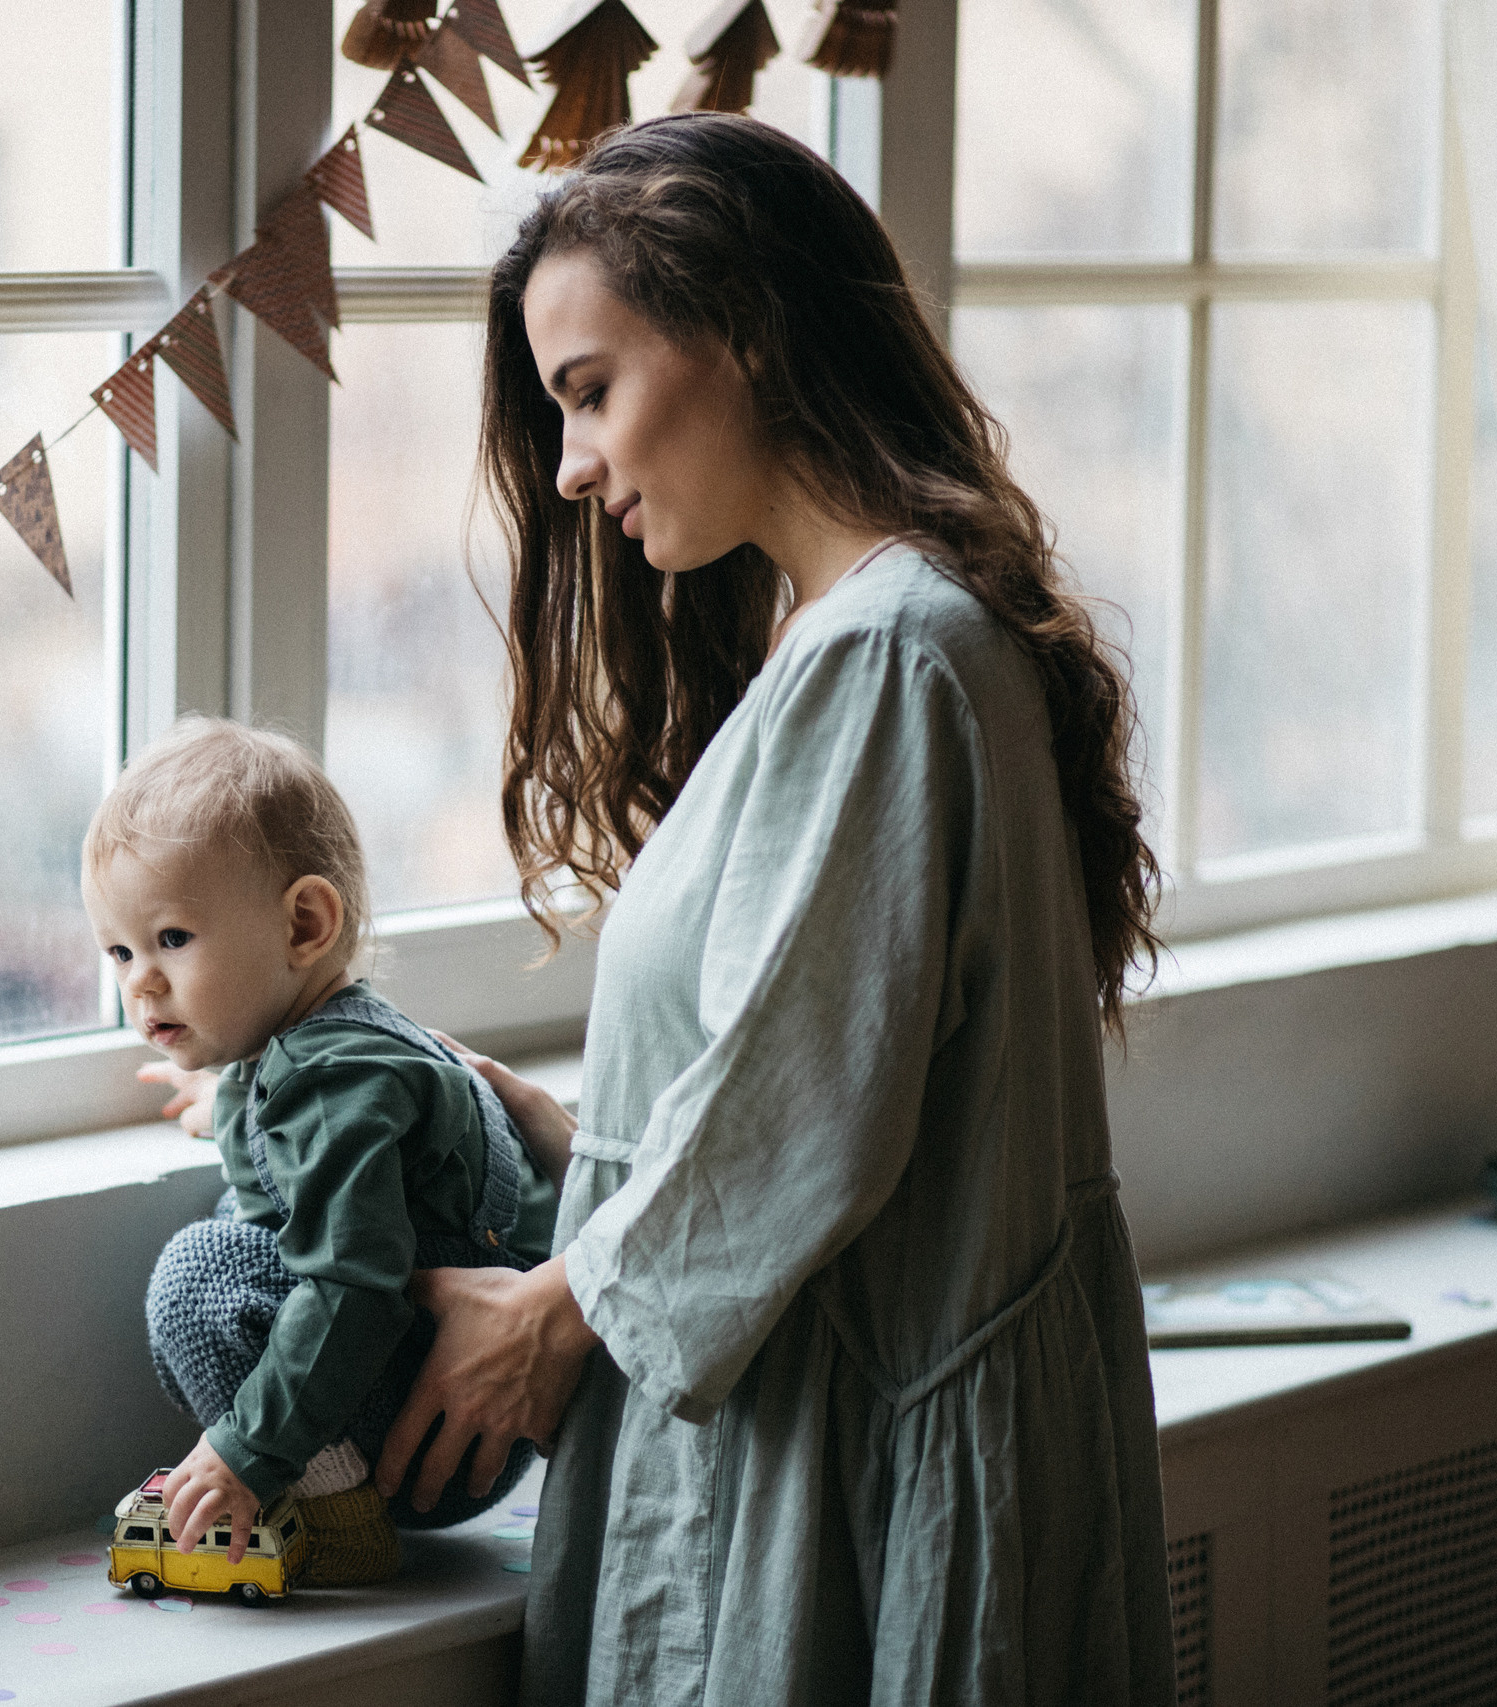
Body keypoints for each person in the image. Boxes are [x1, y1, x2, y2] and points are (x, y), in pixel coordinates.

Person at [367, 114, 1179, 1703]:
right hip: (843, 1437)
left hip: (856, 1483)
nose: (572, 461)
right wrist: (550, 1126)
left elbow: (806, 1112)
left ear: (744, 325)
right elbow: (798, 1052)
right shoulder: (862, 640)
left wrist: (551, 1310)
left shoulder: (886, 654)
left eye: (592, 391)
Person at [87, 717, 558, 1589]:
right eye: (120, 951)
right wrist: (223, 1093)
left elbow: (353, 1287)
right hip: (434, 1407)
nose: (139, 981)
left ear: (305, 923)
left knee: (200, 1276)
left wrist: (241, 1451)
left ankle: (338, 1519)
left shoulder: (331, 1081)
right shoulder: (318, 1047)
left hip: (436, 1429)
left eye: (172, 940)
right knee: (244, 1221)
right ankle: (315, 1479)